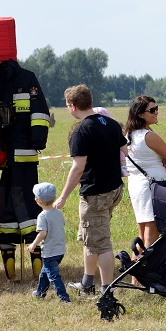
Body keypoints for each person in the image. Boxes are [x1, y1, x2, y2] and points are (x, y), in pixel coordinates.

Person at [55, 84, 128, 298]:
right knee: (90, 237)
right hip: (113, 189)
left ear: (72, 106)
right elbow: (125, 150)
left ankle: (106, 290)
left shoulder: (82, 130)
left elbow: (78, 168)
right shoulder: (111, 123)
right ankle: (87, 283)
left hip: (95, 193)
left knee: (101, 242)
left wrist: (63, 197)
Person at [0, 59, 51, 281]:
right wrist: (37, 141)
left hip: (1, 156)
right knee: (28, 202)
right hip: (25, 155)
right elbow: (40, 113)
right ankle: (36, 259)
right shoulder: (28, 78)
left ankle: (9, 260)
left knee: (6, 202)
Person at [124, 96, 166, 252]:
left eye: (157, 108)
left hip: (136, 186)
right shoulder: (149, 136)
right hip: (152, 188)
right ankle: (146, 272)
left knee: (141, 235)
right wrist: (164, 160)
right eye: (152, 110)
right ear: (141, 114)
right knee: (151, 237)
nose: (156, 112)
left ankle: (136, 276)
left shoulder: (128, 135)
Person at [27, 182, 70, 303]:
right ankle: (40, 293)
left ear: (37, 200)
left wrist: (33, 244)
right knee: (44, 274)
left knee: (54, 277)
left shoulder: (42, 216)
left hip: (49, 252)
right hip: (60, 250)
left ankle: (64, 298)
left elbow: (43, 233)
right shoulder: (58, 213)